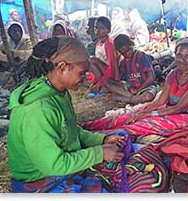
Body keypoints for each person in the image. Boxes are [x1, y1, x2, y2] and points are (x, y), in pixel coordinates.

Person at [8, 36, 125, 193]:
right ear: (62, 67)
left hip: (57, 170)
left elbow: (70, 131)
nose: (84, 81)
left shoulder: (59, 92)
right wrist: (99, 153)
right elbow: (54, 165)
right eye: (82, 74)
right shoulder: (39, 109)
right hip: (40, 180)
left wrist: (102, 139)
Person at [127, 38, 188, 123]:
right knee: (131, 117)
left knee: (147, 123)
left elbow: (179, 107)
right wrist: (140, 114)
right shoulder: (173, 74)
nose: (182, 60)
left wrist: (150, 114)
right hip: (174, 111)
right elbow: (160, 101)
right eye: (179, 55)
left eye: (187, 56)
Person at [93, 34, 156, 104]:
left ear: (132, 44)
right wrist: (116, 60)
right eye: (123, 53)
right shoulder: (124, 62)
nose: (127, 54)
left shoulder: (141, 56)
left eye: (128, 50)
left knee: (148, 96)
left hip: (146, 87)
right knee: (106, 82)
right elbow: (118, 79)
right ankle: (132, 98)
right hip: (130, 90)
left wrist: (138, 90)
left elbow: (151, 78)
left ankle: (128, 99)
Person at [88, 16, 119, 93]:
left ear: (108, 30)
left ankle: (105, 85)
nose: (97, 31)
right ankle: (102, 85)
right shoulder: (99, 43)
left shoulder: (109, 44)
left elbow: (111, 68)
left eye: (101, 28)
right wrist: (94, 82)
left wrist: (99, 84)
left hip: (111, 75)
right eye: (96, 28)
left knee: (92, 60)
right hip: (104, 74)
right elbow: (97, 67)